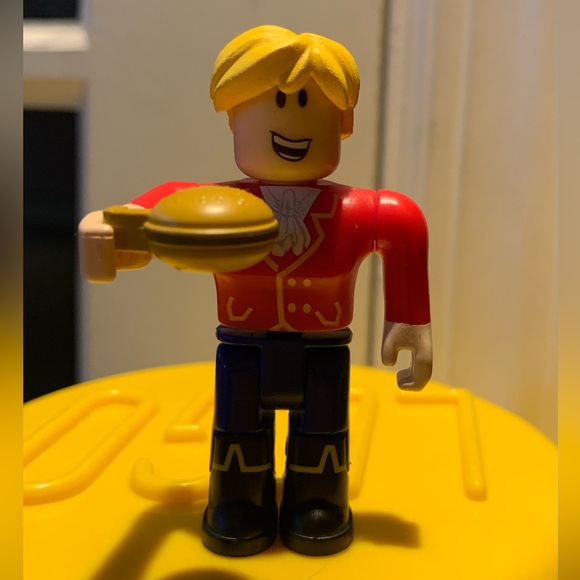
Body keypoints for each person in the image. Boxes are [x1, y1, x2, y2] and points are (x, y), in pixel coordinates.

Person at [79, 24, 432, 557]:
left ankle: (320, 501)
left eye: (306, 102)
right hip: (243, 345)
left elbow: (403, 221)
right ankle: (238, 501)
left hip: (323, 347)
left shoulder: (353, 211)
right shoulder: (219, 209)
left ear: (342, 123)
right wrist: (116, 227)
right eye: (274, 102)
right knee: (238, 427)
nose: (289, 120)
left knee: (323, 431)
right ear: (234, 117)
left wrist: (409, 320)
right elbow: (166, 202)